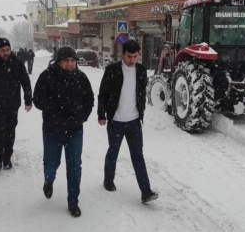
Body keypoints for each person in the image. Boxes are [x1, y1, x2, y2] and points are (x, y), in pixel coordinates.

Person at [33, 46, 94, 218]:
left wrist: (83, 115)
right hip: (52, 130)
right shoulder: (47, 76)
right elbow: (37, 99)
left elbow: (89, 99)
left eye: (73, 60)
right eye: (66, 60)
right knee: (51, 163)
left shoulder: (81, 78)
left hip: (75, 131)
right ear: (59, 61)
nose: (70, 64)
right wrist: (55, 109)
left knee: (74, 166)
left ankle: (73, 202)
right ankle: (49, 180)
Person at [97, 39, 158, 203]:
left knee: (138, 156)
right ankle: (108, 179)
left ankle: (146, 191)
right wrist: (101, 114)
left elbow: (141, 93)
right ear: (123, 55)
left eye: (135, 56)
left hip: (134, 121)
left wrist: (141, 111)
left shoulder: (141, 70)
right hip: (116, 121)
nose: (132, 60)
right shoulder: (112, 70)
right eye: (129, 56)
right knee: (113, 152)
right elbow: (102, 92)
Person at [0, 38, 32, 173]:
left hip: (13, 104)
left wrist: (28, 100)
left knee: (10, 132)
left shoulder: (17, 63)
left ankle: (7, 158)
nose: (6, 53)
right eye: (2, 50)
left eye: (7, 50)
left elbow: (25, 82)